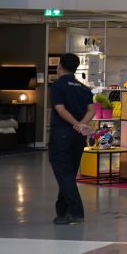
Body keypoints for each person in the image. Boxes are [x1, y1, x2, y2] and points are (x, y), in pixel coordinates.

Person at [48, 53, 94, 225]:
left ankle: (76, 212)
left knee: (63, 173)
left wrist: (76, 124)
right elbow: (91, 110)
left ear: (59, 66)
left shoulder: (57, 85)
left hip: (61, 134)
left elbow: (60, 109)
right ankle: (62, 212)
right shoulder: (84, 88)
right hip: (78, 137)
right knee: (69, 174)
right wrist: (82, 125)